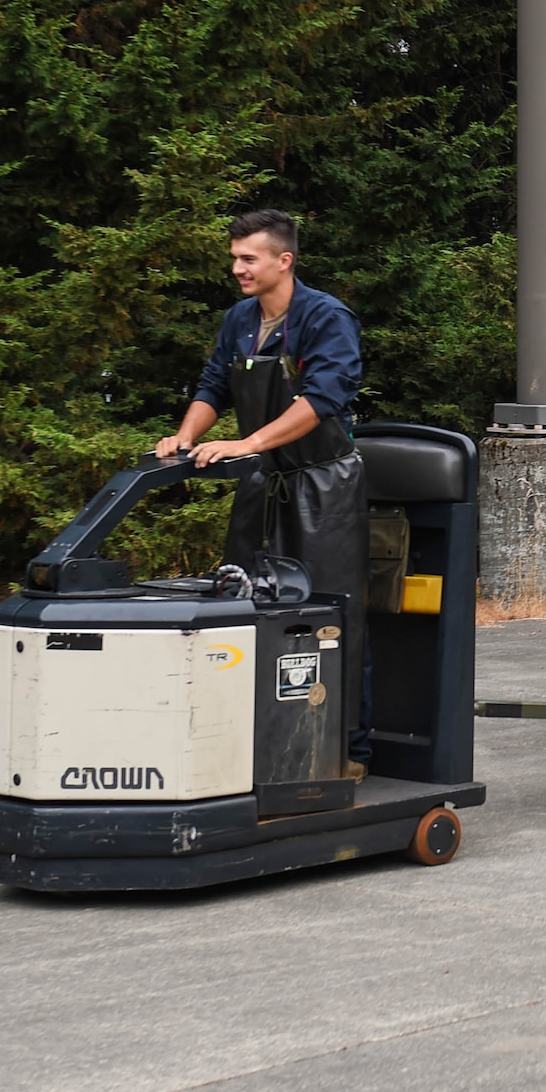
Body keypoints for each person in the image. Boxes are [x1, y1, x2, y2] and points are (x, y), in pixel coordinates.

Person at [156, 210, 373, 777]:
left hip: (324, 488)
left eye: (248, 258)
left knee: (329, 618)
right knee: (247, 606)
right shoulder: (238, 320)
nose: (237, 268)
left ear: (284, 260)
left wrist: (246, 441)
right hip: (261, 485)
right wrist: (185, 436)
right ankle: (259, 748)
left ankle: (346, 752)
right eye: (234, 258)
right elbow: (213, 384)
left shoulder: (327, 318)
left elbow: (322, 399)